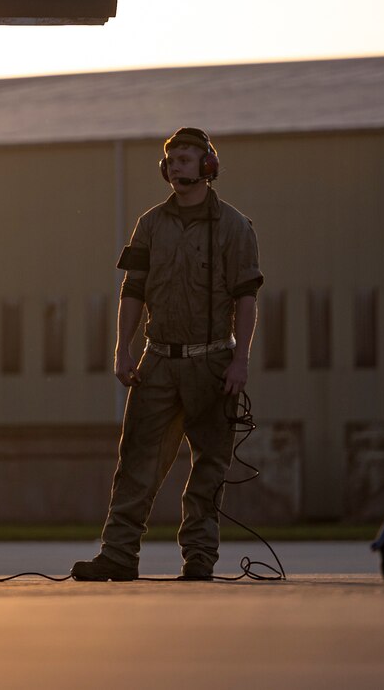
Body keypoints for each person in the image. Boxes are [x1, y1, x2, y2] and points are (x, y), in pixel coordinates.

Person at [72, 127, 262, 581]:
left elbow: (246, 298)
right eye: (171, 159)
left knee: (210, 465)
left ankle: (199, 556)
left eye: (185, 159)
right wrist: (123, 350)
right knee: (136, 460)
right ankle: (118, 555)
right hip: (157, 361)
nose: (175, 166)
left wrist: (241, 361)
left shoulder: (235, 226)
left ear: (207, 167)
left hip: (213, 362)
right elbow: (132, 289)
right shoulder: (150, 224)